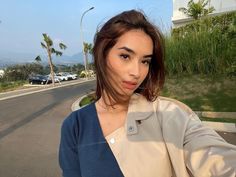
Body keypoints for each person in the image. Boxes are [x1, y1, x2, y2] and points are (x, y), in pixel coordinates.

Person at [59, 10, 236, 177]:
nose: (137, 72)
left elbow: (212, 153)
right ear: (102, 54)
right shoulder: (75, 126)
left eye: (145, 61)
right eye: (125, 56)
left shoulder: (168, 115)